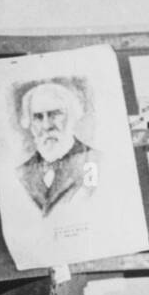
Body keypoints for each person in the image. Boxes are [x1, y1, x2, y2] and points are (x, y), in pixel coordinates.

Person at [15, 81, 100, 217]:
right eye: (37, 117)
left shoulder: (96, 162)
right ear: (29, 123)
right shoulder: (20, 174)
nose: (47, 126)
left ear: (72, 117)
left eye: (55, 114)